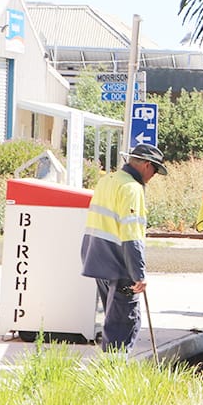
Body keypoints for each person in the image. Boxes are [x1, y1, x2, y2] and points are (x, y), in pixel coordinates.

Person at [79, 143, 167, 352]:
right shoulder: (132, 188)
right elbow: (131, 235)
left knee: (113, 318)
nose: (153, 176)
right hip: (119, 263)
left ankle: (109, 370)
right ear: (147, 165)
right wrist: (138, 274)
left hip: (96, 257)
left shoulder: (107, 180)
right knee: (124, 323)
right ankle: (114, 373)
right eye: (155, 170)